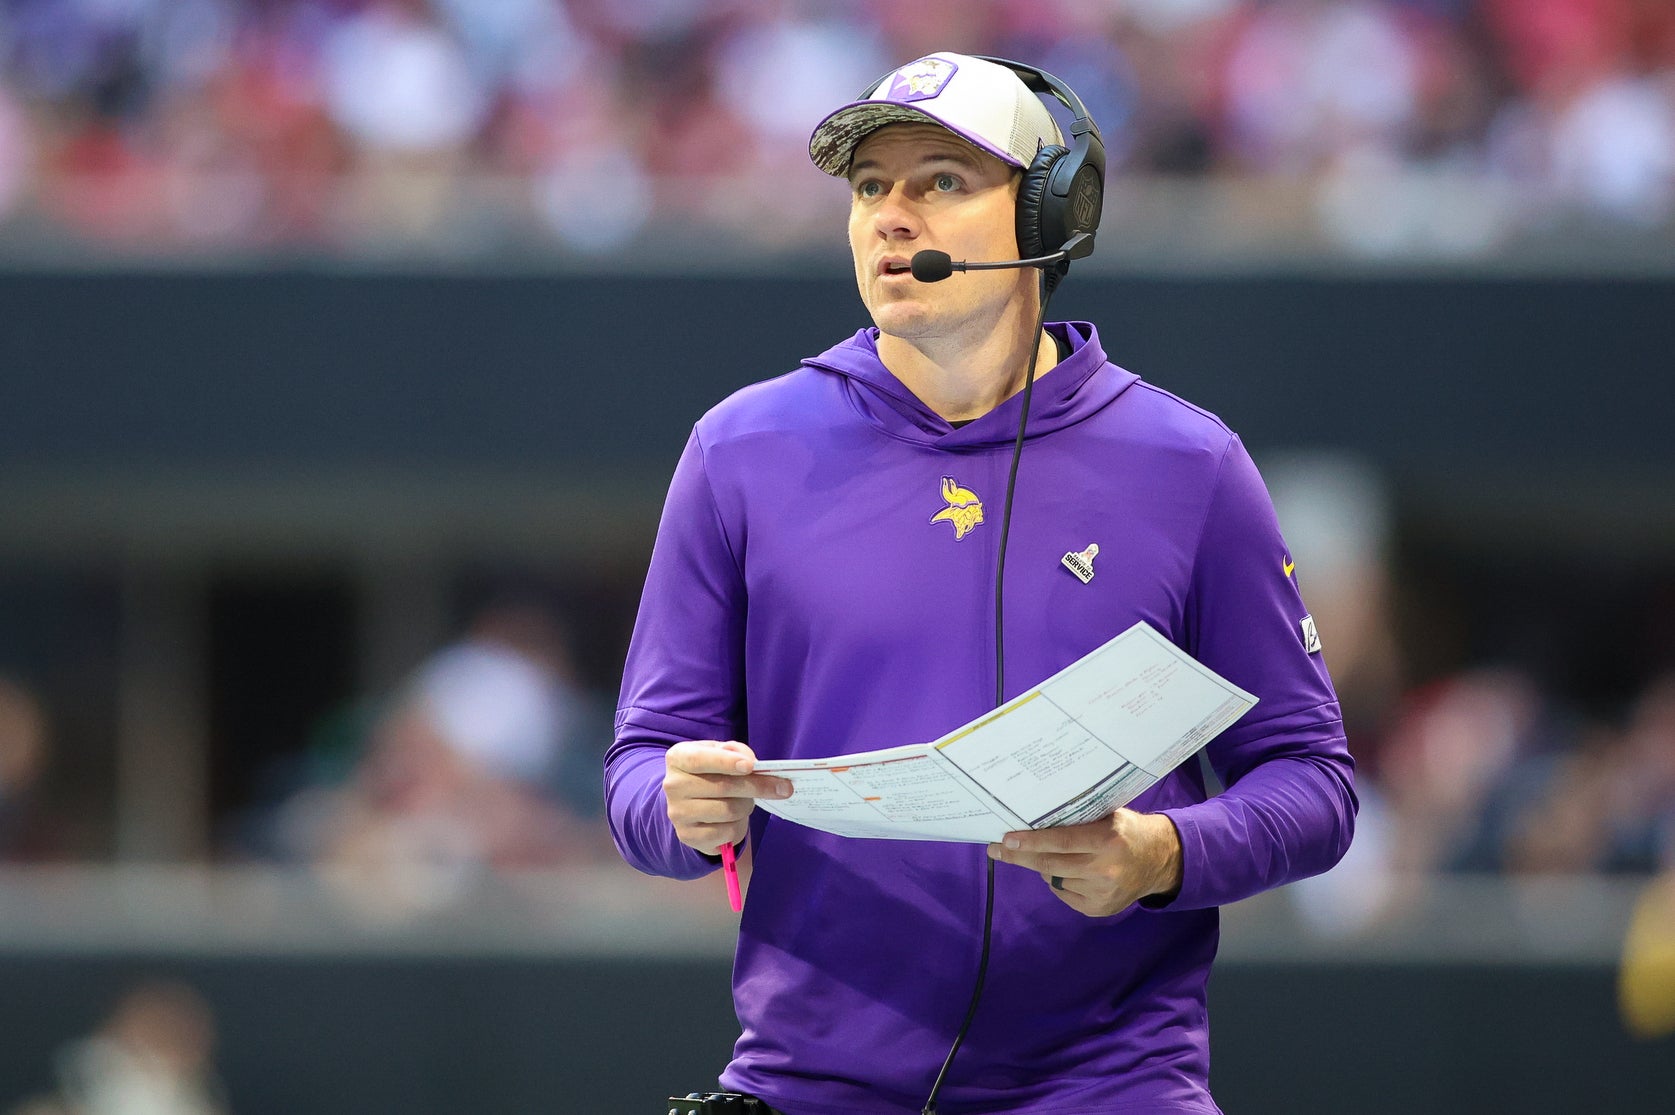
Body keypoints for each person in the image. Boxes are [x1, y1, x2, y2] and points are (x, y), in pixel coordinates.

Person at [605, 51, 1356, 1115]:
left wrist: (1161, 852)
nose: (891, 217)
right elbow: (639, 769)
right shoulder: (740, 449)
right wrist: (677, 805)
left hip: (1110, 1086)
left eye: (941, 181)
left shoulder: (1189, 465)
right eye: (871, 187)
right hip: (811, 1082)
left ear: (1052, 209)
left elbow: (1313, 784)